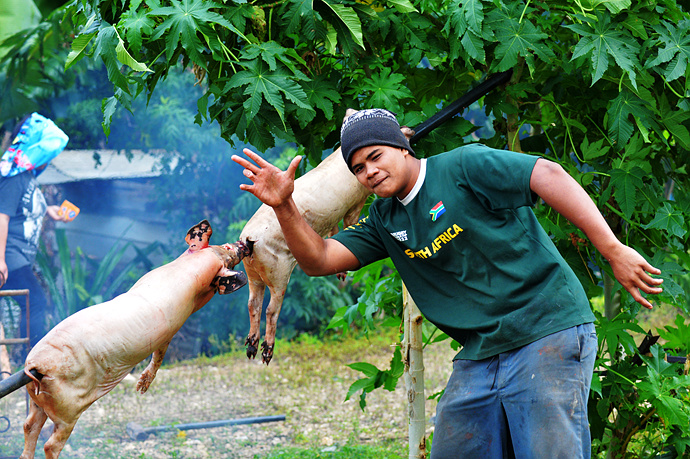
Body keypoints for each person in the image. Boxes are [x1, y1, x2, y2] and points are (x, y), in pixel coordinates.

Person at [231, 108, 663, 458]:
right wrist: (285, 205)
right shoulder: (384, 220)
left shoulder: (462, 166)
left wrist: (612, 249)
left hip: (545, 328)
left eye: (376, 156)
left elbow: (546, 174)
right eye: (358, 167)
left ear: (402, 147)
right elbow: (319, 259)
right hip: (480, 354)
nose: (370, 172)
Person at [0, 112, 71, 352]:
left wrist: (49, 210)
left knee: (33, 303)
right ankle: (32, 365)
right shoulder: (13, 176)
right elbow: (2, 216)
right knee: (37, 302)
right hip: (9, 258)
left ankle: (24, 361)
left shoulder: (27, 176)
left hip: (20, 259)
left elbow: (25, 208)